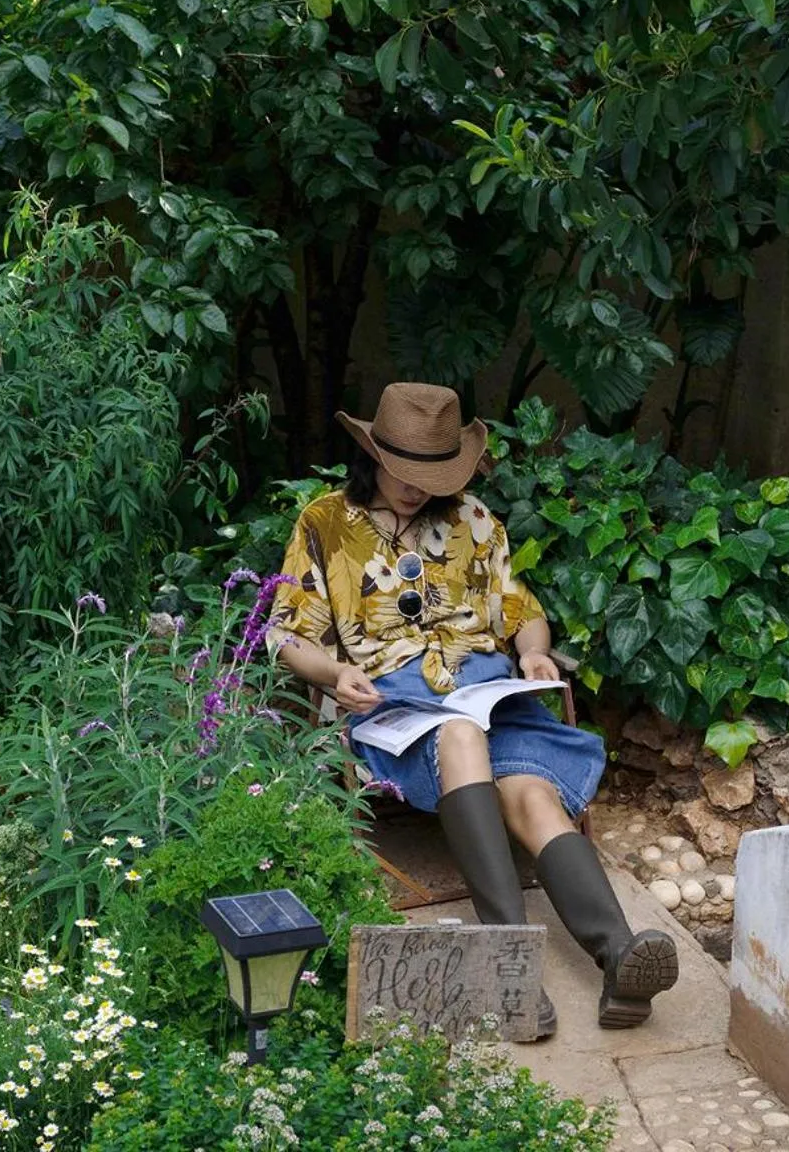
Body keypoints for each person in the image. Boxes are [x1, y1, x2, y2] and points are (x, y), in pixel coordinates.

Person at [268, 381, 679, 1037]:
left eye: (433, 474)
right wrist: (336, 672)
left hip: (491, 699)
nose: (417, 487)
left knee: (534, 797)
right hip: (395, 706)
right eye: (405, 471)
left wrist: (537, 654)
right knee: (459, 735)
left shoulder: (475, 523)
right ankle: (508, 968)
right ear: (373, 453)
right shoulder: (326, 524)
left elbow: (523, 612)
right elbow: (289, 633)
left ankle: (619, 955)